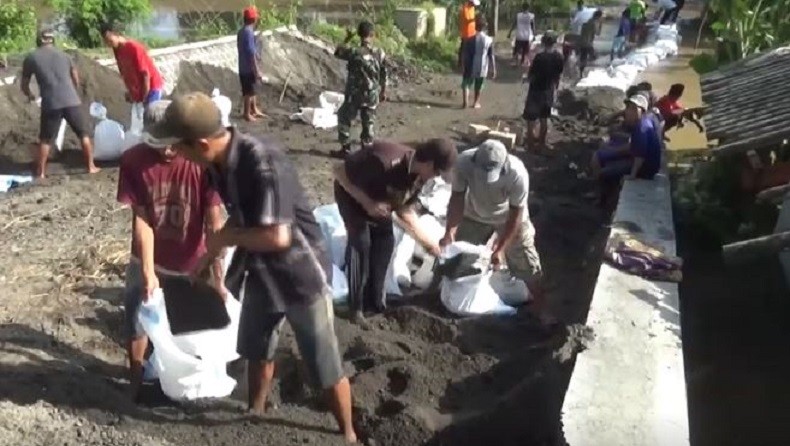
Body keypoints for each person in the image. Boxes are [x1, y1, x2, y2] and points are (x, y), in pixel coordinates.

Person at [143, 92, 357, 442]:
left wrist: (225, 239)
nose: (173, 154)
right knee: (257, 346)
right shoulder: (215, 165)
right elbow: (234, 223)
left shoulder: (262, 162)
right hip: (261, 269)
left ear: (200, 144)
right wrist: (204, 262)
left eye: (177, 148)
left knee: (323, 362)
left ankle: (348, 433)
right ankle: (255, 412)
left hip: (299, 272)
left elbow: (278, 237)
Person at [118, 100, 226, 402]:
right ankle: (135, 384)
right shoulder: (133, 161)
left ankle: (193, 391)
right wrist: (149, 272)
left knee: (195, 329)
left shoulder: (202, 161)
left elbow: (213, 221)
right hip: (147, 254)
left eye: (172, 144)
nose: (167, 151)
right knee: (137, 320)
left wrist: (216, 275)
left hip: (192, 258)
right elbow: (142, 220)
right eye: (159, 145)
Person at [333, 139, 456, 321]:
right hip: (352, 196)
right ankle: (356, 307)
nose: (436, 177)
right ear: (429, 164)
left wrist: (430, 245)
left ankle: (375, 303)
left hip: (380, 201)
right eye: (437, 172)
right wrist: (367, 202)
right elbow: (338, 170)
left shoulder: (418, 178)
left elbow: (404, 210)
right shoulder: (384, 161)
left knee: (385, 242)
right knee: (361, 242)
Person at [440, 139, 551, 326]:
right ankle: (448, 298)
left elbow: (516, 214)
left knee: (527, 264)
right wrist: (450, 231)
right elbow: (457, 198)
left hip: (509, 218)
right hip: (474, 214)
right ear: (475, 160)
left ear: (504, 165)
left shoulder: (517, 173)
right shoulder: (464, 163)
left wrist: (501, 248)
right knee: (458, 260)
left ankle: (542, 311)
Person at [21, 30, 100, 178]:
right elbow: (75, 78)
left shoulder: (31, 58)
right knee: (83, 134)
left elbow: (24, 85)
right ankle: (91, 166)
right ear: (53, 40)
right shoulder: (65, 56)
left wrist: (31, 95)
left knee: (45, 139)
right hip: (71, 100)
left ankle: (41, 172)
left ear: (38, 40)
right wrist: (72, 92)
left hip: (51, 103)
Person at [333, 21, 387, 158]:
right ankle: (366, 150)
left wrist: (347, 38)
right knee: (368, 122)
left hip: (354, 94)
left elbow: (337, 52)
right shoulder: (379, 53)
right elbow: (384, 74)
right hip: (372, 95)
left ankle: (345, 148)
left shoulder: (353, 52)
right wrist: (383, 91)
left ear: (359, 35)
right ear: (372, 35)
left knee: (344, 117)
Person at [591, 93, 662, 184]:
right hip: (650, 163)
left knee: (605, 173)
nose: (629, 111)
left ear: (643, 111)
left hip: (646, 169)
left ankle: (599, 190)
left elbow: (640, 156)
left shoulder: (641, 128)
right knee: (602, 154)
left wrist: (632, 175)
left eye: (634, 109)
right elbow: (635, 145)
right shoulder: (647, 118)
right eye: (628, 107)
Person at [100, 22, 164, 107]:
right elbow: (126, 75)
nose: (108, 44)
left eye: (109, 40)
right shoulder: (118, 52)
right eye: (106, 42)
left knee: (150, 116)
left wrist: (145, 97)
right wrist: (132, 94)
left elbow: (145, 74)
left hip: (152, 88)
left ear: (116, 34)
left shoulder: (133, 47)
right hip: (140, 91)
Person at [523, 32, 564, 150]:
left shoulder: (539, 57)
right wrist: (556, 89)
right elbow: (558, 76)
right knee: (544, 118)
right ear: (554, 43)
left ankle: (530, 143)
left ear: (543, 43)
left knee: (530, 118)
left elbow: (532, 76)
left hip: (536, 90)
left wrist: (526, 79)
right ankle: (541, 143)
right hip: (549, 90)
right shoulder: (559, 57)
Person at [237, 6, 266, 121]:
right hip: (248, 67)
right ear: (254, 20)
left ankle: (254, 109)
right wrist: (256, 70)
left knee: (252, 90)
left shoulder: (242, 31)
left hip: (242, 65)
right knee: (248, 92)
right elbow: (251, 53)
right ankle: (247, 113)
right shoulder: (248, 33)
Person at [462, 17, 496, 109]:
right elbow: (491, 55)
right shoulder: (489, 40)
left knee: (466, 83)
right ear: (485, 27)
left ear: (475, 27)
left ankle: (465, 102)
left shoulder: (470, 39)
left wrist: (463, 64)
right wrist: (493, 69)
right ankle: (476, 103)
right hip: (482, 64)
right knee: (479, 84)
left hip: (470, 63)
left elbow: (465, 53)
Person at [508, 3, 536, 67]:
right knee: (524, 50)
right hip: (526, 36)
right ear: (528, 8)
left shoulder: (518, 15)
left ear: (522, 7)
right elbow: (533, 26)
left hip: (519, 35)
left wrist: (509, 33)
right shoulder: (531, 16)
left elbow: (514, 24)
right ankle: (522, 62)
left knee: (517, 49)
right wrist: (534, 35)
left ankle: (515, 61)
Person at [578, 10, 602, 77]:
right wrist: (600, 25)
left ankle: (581, 72)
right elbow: (598, 33)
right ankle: (586, 69)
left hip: (582, 43)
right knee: (594, 56)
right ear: (598, 17)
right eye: (600, 17)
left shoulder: (587, 22)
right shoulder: (593, 24)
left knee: (583, 57)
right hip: (588, 44)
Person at [458, 0, 480, 69]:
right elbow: (468, 19)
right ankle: (460, 64)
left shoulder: (472, 8)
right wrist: (475, 18)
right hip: (466, 33)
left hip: (472, 32)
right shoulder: (465, 8)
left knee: (471, 49)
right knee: (464, 49)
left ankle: (469, 63)